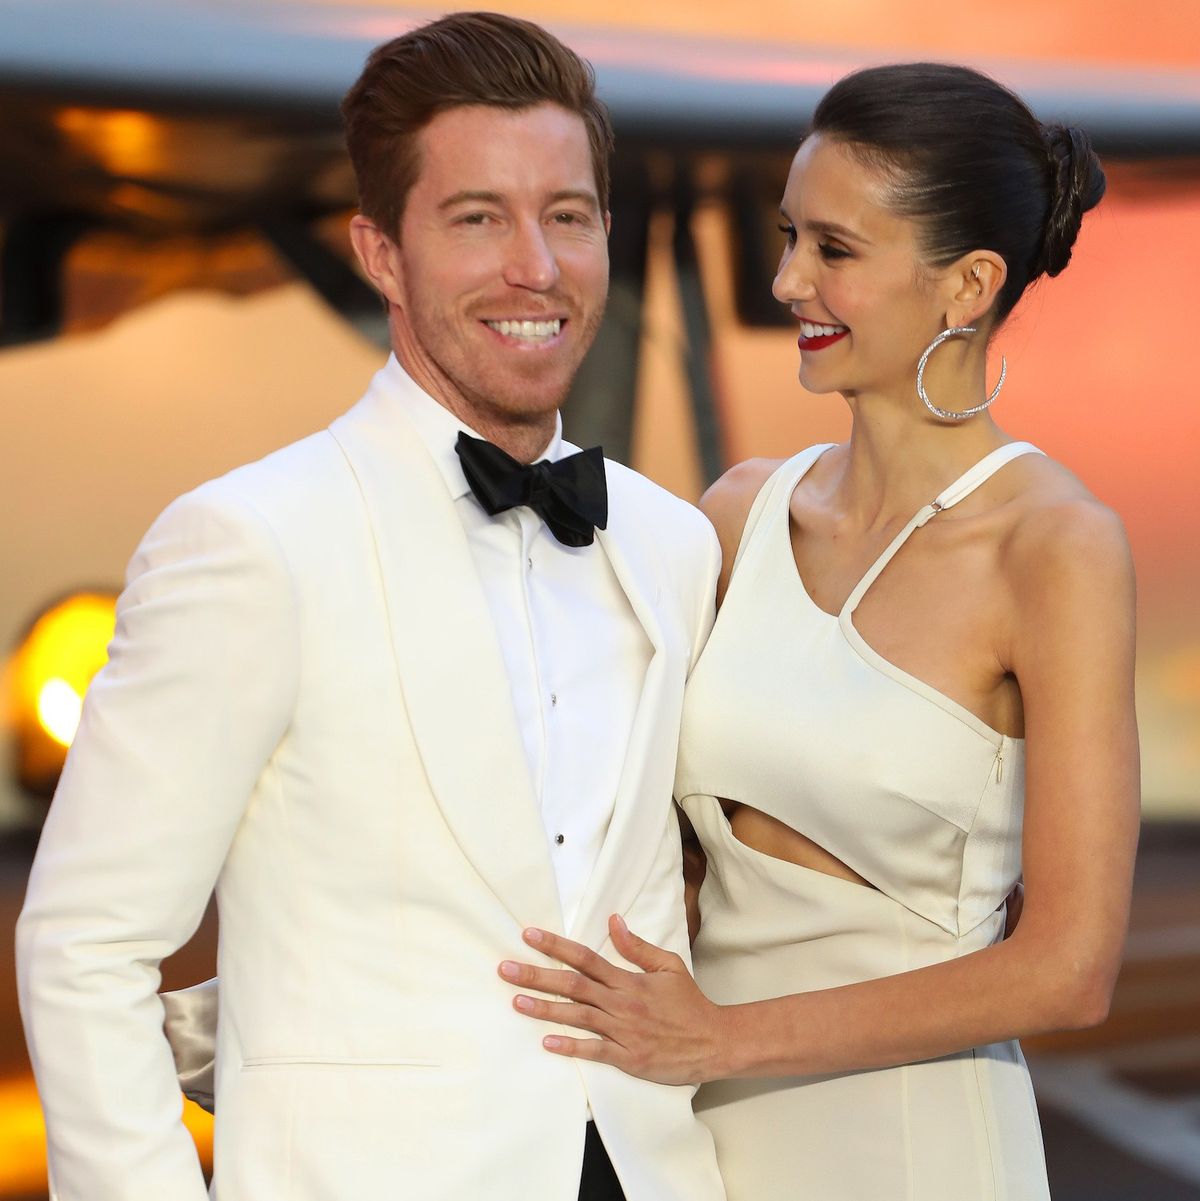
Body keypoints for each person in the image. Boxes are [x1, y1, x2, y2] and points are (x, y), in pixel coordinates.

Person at [15, 14, 727, 1201]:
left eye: (567, 215)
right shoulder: (249, 542)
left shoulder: (672, 543)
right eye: (477, 218)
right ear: (381, 252)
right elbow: (84, 945)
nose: (536, 268)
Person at [500, 63, 1140, 1199]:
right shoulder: (739, 513)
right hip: (697, 1145)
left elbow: (1071, 970)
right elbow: (613, 825)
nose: (789, 278)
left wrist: (720, 1039)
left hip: (915, 1145)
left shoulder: (1054, 548)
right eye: (789, 235)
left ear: (969, 285)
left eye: (835, 249)